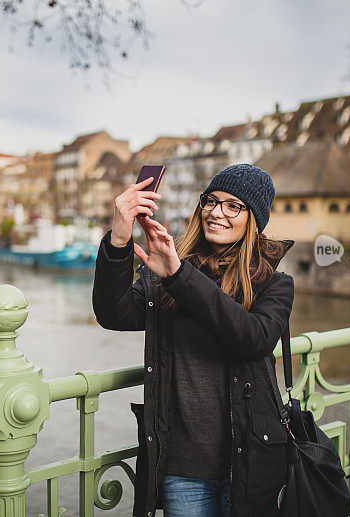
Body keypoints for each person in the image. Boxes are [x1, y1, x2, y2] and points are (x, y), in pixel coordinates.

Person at [92, 164, 295, 517]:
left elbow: (253, 338)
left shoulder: (274, 283)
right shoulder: (169, 270)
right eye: (211, 201)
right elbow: (115, 314)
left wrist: (179, 275)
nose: (217, 213)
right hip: (182, 468)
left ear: (254, 220)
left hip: (249, 461)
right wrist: (119, 239)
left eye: (234, 206)